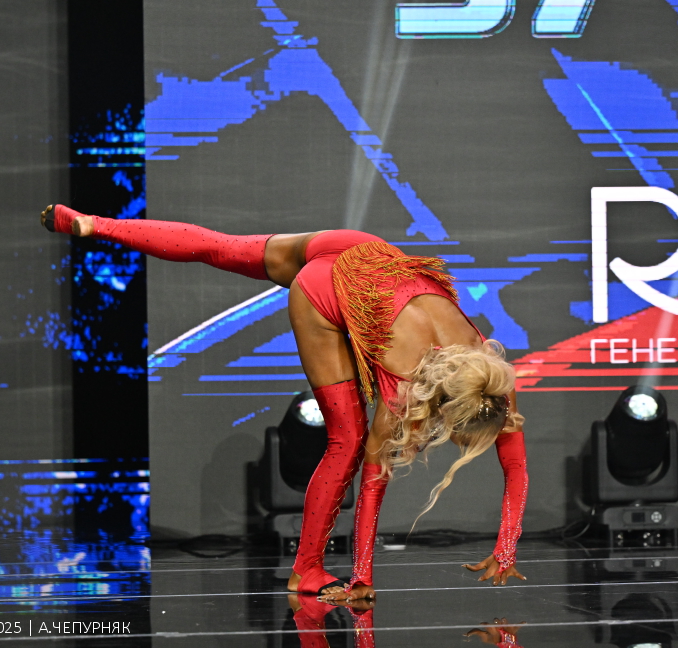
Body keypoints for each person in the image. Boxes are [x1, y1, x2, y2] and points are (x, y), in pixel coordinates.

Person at [41, 205, 528, 602]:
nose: (457, 440)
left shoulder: (491, 372)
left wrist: (506, 549)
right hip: (323, 292)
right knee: (348, 441)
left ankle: (91, 223)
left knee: (219, 246)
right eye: (460, 433)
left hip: (357, 248)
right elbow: (373, 482)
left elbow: (516, 466)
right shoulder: (403, 385)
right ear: (448, 406)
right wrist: (360, 577)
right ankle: (306, 570)